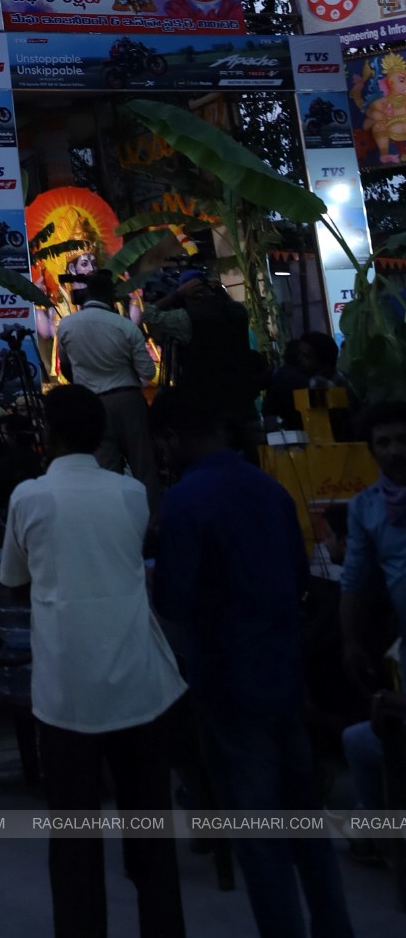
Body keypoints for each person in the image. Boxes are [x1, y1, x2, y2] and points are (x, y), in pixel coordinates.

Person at [151, 393, 353, 938]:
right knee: (304, 819)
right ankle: (334, 926)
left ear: (171, 440)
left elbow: (175, 597)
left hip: (227, 679)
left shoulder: (184, 502)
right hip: (285, 672)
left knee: (259, 833)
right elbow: (296, 576)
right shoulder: (269, 489)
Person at [0, 384, 185, 938]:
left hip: (66, 693)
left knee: (75, 843)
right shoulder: (130, 493)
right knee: (151, 836)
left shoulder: (29, 498)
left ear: (49, 435)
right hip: (138, 683)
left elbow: (12, 581)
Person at [53, 270, 159, 514]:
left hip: (91, 405)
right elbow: (147, 370)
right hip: (128, 400)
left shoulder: (67, 325)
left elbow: (66, 366)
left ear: (86, 295)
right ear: (111, 297)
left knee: (104, 469)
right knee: (144, 467)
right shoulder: (125, 326)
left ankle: (111, 520)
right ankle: (152, 523)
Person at [144, 270, 261, 443]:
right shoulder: (238, 310)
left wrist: (177, 295)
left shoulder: (187, 318)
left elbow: (149, 316)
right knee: (253, 453)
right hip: (243, 399)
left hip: (210, 404)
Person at [340, 400, 406, 690]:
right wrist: (350, 641)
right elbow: (353, 580)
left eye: (403, 440)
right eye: (384, 443)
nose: (396, 451)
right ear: (372, 451)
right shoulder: (364, 508)